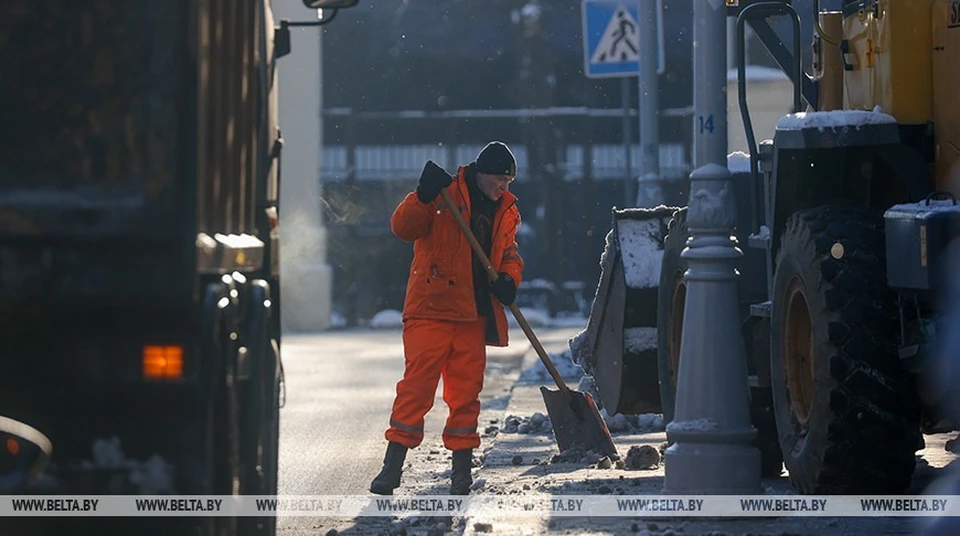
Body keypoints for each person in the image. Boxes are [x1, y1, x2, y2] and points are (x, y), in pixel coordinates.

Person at [369, 141, 524, 496]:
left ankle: (461, 474)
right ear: (482, 174)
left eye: (509, 181)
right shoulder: (443, 195)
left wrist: (508, 280)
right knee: (416, 389)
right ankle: (391, 470)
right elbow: (403, 228)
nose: (505, 187)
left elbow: (511, 253)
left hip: (474, 313)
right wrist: (421, 196)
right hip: (431, 308)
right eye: (501, 179)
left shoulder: (508, 210)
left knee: (466, 393)